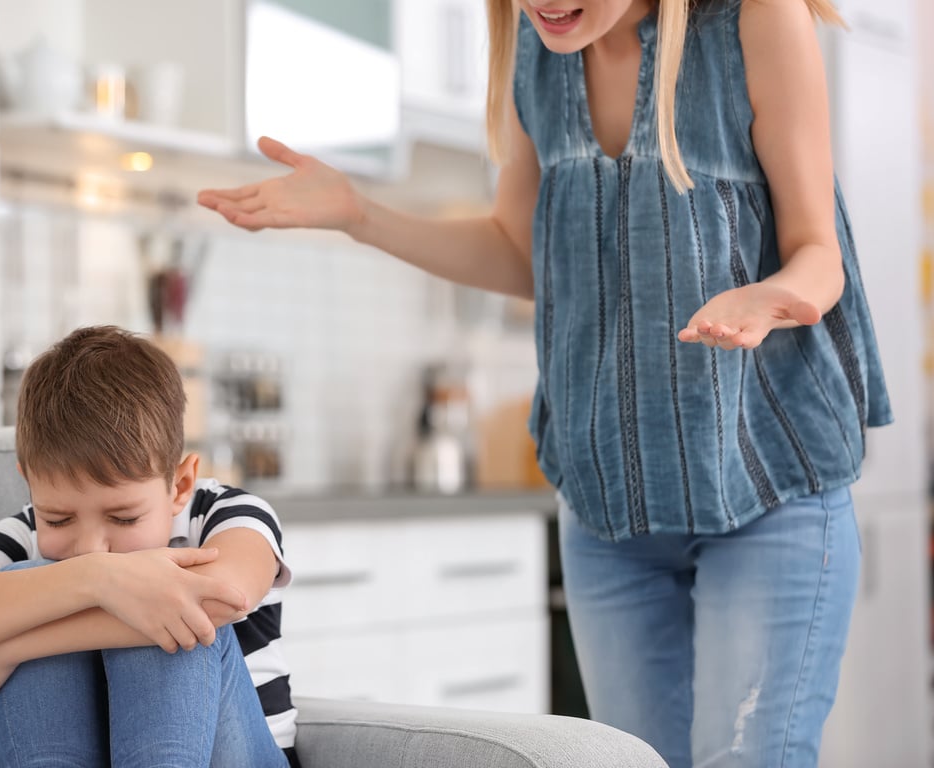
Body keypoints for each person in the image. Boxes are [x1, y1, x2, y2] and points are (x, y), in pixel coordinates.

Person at [197, 0, 891, 765]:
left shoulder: (757, 19)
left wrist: (772, 296)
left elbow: (816, 251)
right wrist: (359, 214)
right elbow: (519, 252)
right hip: (607, 508)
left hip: (767, 481)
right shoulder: (539, 47)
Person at [0, 325, 298, 768]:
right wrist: (94, 579)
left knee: (172, 601)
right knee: (25, 583)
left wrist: (8, 648)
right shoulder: (24, 535)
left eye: (123, 518)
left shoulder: (226, 511)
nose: (91, 547)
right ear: (29, 483)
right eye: (59, 518)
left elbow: (221, 600)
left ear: (179, 484)